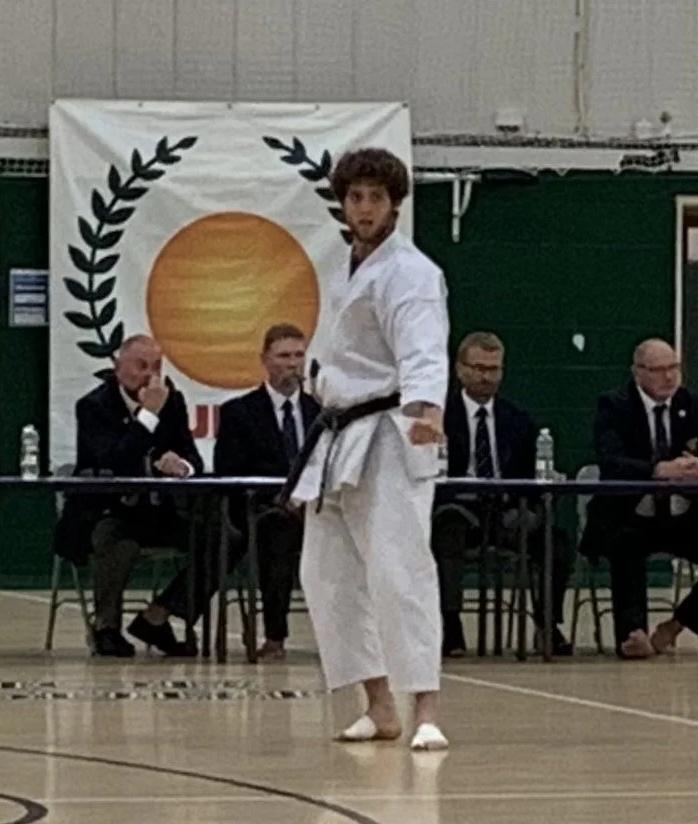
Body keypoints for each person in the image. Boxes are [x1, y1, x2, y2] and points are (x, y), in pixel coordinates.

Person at [279, 147, 450, 751]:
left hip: (391, 431)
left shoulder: (413, 273)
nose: (365, 208)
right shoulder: (342, 266)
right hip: (338, 433)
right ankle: (378, 705)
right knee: (325, 575)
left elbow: (426, 350)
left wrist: (428, 408)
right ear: (344, 203)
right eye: (356, 197)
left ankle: (425, 707)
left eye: (376, 198)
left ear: (394, 204)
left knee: (400, 571)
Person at [580, 337, 698, 659]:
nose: (669, 377)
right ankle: (633, 635)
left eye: (674, 368)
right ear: (638, 373)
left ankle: (675, 626)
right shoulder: (614, 405)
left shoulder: (696, 406)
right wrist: (659, 469)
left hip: (681, 517)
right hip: (627, 514)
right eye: (659, 370)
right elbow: (611, 461)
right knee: (627, 544)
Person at [61, 334, 205, 658]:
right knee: (117, 540)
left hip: (159, 511)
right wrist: (149, 415)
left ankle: (158, 616)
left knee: (224, 538)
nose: (150, 376)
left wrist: (181, 466)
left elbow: (194, 458)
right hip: (110, 510)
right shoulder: (93, 406)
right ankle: (106, 627)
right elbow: (117, 462)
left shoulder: (174, 401)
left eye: (156, 367)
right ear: (117, 367)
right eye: (141, 366)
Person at [433, 331, 574, 657]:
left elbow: (529, 476)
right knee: (447, 527)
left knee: (556, 540)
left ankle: (547, 624)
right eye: (479, 368)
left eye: (494, 369)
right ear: (459, 369)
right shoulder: (440, 416)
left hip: (506, 511)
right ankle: (450, 625)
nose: (486, 377)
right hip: (459, 508)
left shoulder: (519, 420)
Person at [213, 323, 320, 661]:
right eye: (284, 356)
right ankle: (275, 636)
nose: (292, 364)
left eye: (298, 356)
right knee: (279, 532)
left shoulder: (321, 412)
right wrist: (284, 499)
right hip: (263, 510)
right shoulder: (240, 412)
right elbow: (229, 473)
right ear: (265, 359)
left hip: (319, 507)